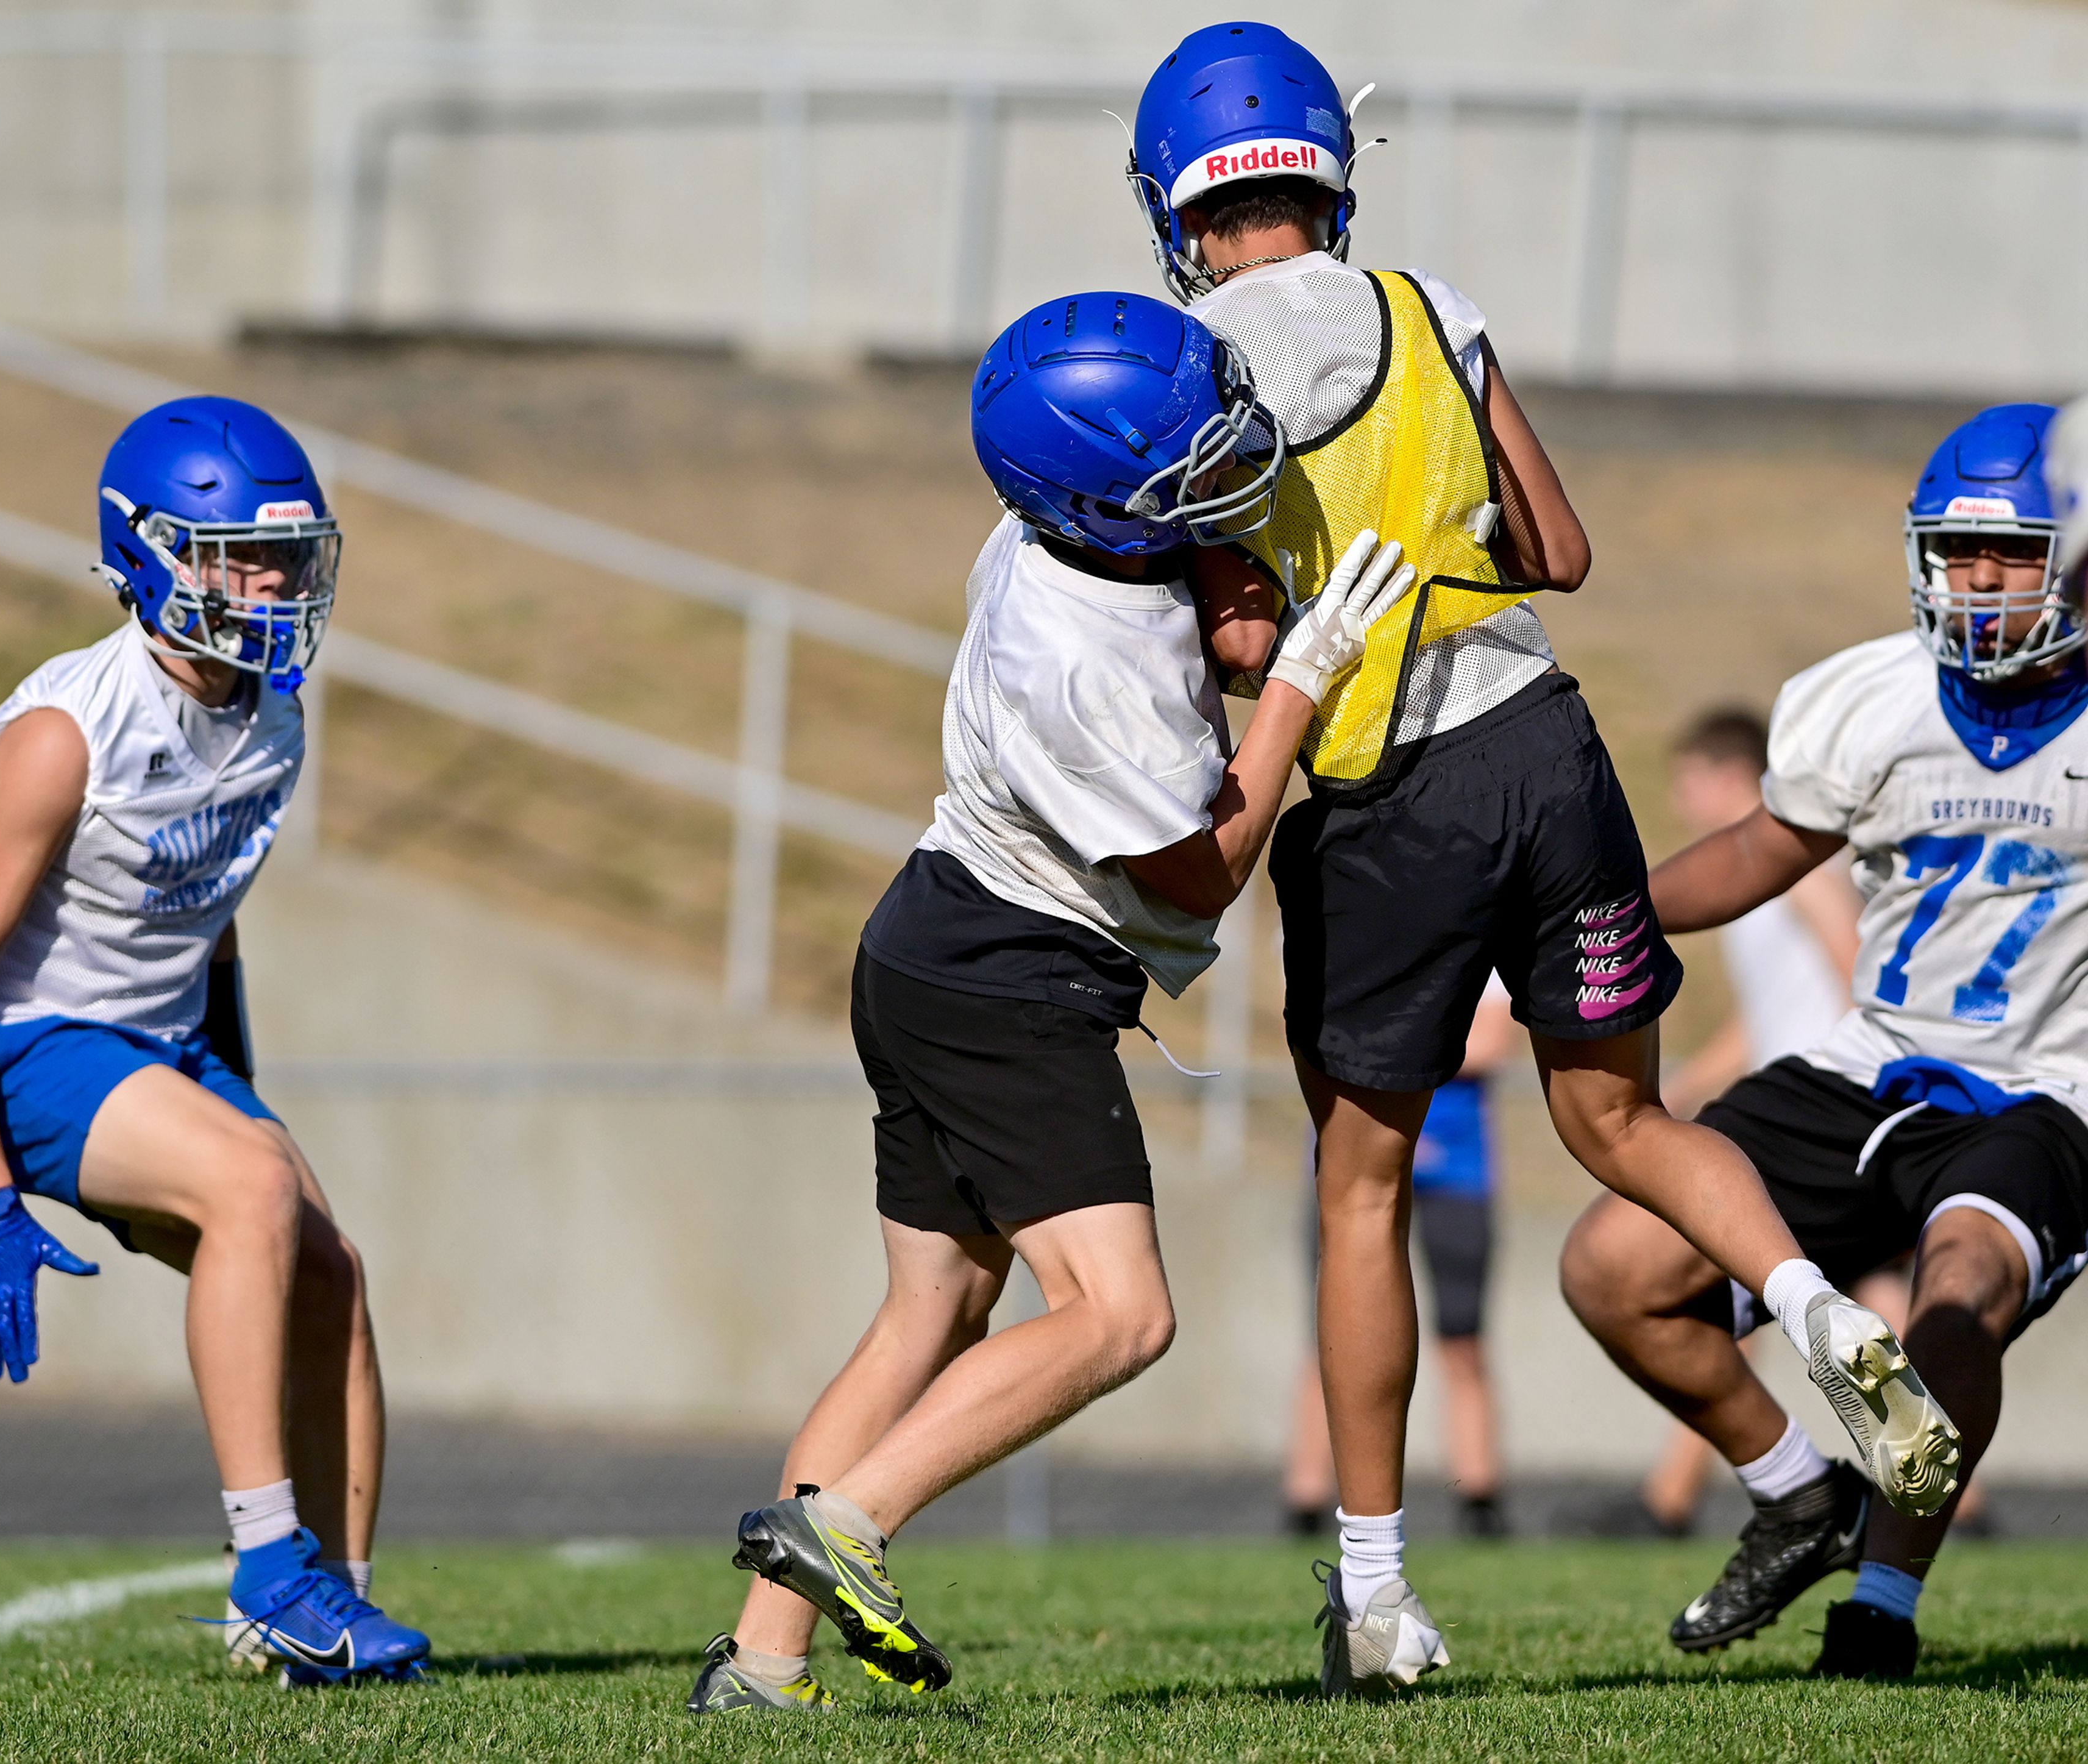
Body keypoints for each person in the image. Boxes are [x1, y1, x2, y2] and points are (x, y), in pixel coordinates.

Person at [1124, 21, 1958, 1695]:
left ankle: (1375, 1593)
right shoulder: (1437, 306)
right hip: (1546, 741)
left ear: (1179, 203)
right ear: (1326, 176)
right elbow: (1560, 549)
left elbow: (1225, 631)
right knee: (1624, 1119)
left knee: (1362, 1189)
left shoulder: (1179, 356)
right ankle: (1819, 1328)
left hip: (1383, 792)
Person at [686, 291, 1418, 1715]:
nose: (1229, 472)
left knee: (931, 1315)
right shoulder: (1073, 661)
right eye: (1190, 467)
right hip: (1004, 977)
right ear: (1103, 500)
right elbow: (1201, 877)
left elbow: (1187, 570)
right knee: (1119, 1312)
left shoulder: (1060, 526)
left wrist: (1235, 594)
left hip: (931, 939)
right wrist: (1299, 693)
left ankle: (759, 1668)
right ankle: (850, 1523)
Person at [0, 396, 430, 1687]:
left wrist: (236, 1092)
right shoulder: (64, 736)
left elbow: (211, 922)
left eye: (289, 556)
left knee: (332, 1272)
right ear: (149, 556)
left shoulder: (272, 714)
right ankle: (267, 1563)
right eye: (238, 555)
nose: (272, 582)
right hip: (32, 1042)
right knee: (254, 1188)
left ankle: (324, 1612)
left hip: (158, 1040)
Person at [1561, 404, 2088, 1678]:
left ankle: (1885, 1608)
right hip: (1871, 1060)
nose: (1976, 582)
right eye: (1955, 553)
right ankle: (1800, 1492)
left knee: (1957, 1299)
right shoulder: (1871, 696)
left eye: (2011, 553)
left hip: (2047, 1085)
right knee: (1613, 1269)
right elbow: (1759, 853)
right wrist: (1597, 909)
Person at [1638, 710, 1862, 1534]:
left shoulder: (1793, 864)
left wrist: (1854, 1086)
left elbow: (1853, 964)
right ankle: (1956, 1492)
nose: (1679, 796)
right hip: (1792, 1102)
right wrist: (1682, 1091)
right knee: (1867, 1295)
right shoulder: (1748, 883)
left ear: (1731, 777)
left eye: (1689, 778)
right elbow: (1763, 1018)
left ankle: (1675, 1496)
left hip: (1815, 1112)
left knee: (1725, 1284)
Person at [1285, 976, 1518, 1539]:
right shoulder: (1353, 918)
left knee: (1462, 1340)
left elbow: (1491, 1042)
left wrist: (1388, 1043)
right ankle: (1306, 1500)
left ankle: (1479, 1499)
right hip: (1349, 1169)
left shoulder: (1480, 923)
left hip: (1458, 1172)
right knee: (1330, 1338)